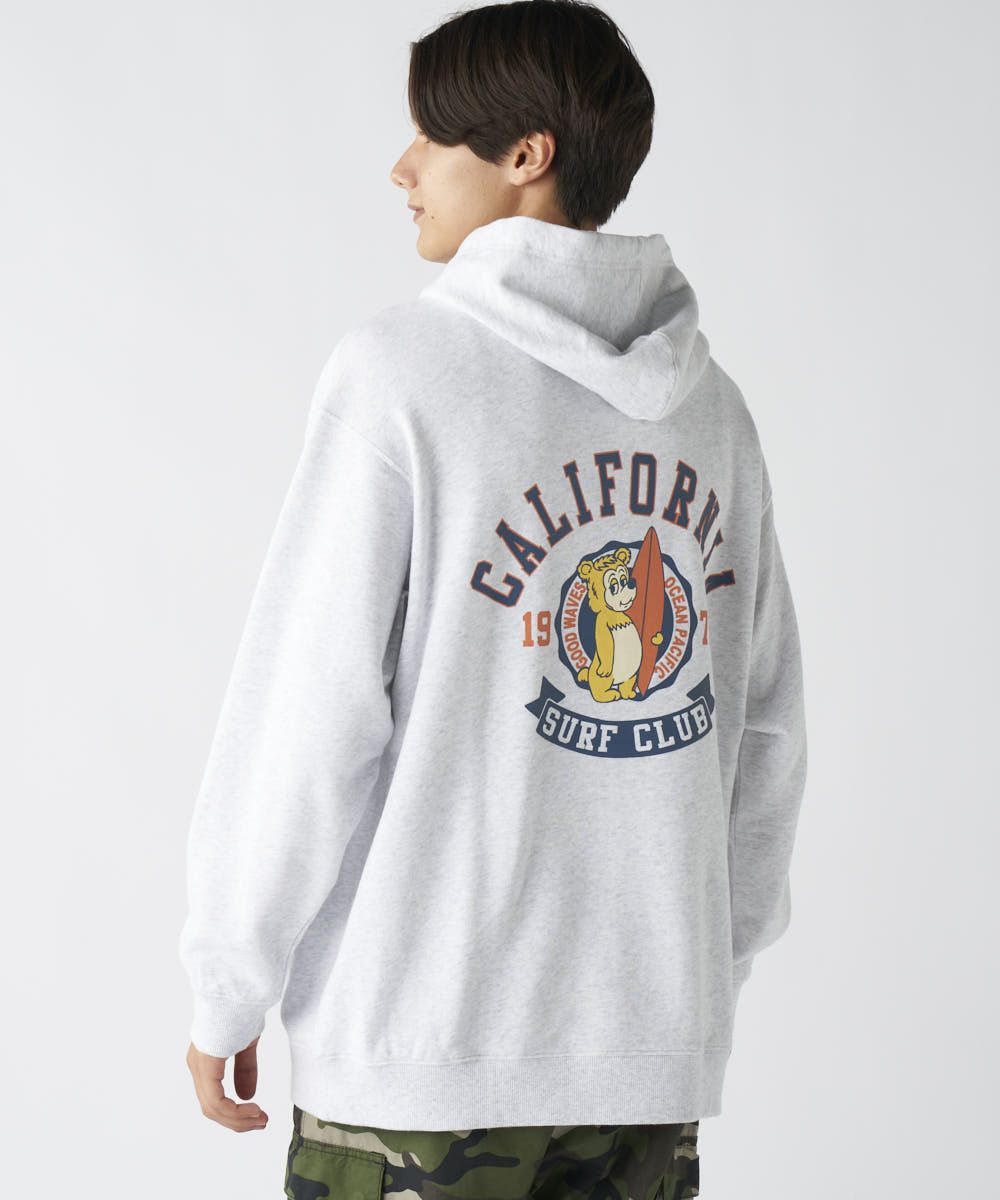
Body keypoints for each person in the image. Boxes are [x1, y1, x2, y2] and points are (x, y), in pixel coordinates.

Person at [178, 2, 808, 1197]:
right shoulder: (710, 409)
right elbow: (765, 730)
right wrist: (689, 983)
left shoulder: (400, 376)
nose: (402, 166)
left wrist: (227, 980)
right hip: (644, 1077)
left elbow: (307, 710)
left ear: (526, 154)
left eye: (433, 134)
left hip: (421, 1067)